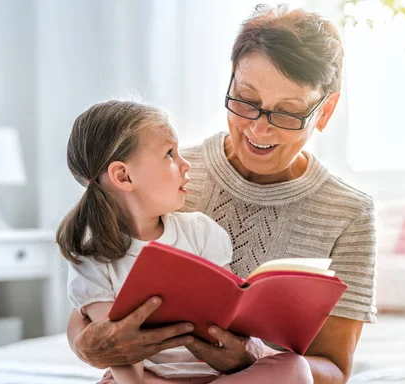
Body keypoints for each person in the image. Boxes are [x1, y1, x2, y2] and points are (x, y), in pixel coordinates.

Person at [66, 4, 377, 384]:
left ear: (325, 111)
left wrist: (253, 356)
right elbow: (89, 303)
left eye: (287, 113)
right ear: (230, 80)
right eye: (246, 101)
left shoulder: (350, 213)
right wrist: (90, 347)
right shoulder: (163, 179)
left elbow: (334, 368)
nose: (259, 131)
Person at [57, 99, 247, 383]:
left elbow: (233, 314)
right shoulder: (93, 259)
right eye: (170, 154)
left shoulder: (201, 231)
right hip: (154, 378)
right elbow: (120, 350)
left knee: (293, 369)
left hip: (217, 375)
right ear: (123, 175)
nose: (185, 164)